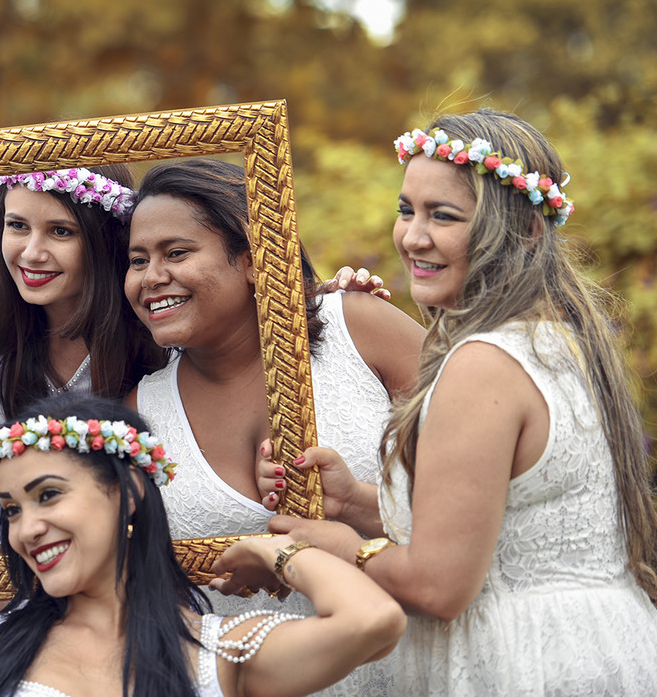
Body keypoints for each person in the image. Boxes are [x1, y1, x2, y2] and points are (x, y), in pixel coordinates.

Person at [272, 109, 657, 695]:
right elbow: (503, 527)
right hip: (593, 645)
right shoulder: (556, 340)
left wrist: (341, 549)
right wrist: (353, 502)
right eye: (407, 210)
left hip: (524, 664)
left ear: (526, 231)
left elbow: (438, 586)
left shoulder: (484, 364)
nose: (413, 236)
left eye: (443, 215)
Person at [0, 393, 407, 697]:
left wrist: (273, 551)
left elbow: (373, 620)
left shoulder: (219, 652)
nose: (26, 529)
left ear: (127, 493)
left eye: (48, 496)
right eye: (12, 510)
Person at [125, 158, 425, 695]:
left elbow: (490, 489)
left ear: (251, 257)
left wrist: (357, 507)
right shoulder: (138, 414)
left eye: (176, 253)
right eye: (137, 260)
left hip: (412, 670)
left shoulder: (360, 329)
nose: (151, 277)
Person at [0, 165, 166, 423]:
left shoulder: (154, 311)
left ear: (106, 237)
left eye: (60, 231)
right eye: (18, 225)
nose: (31, 254)